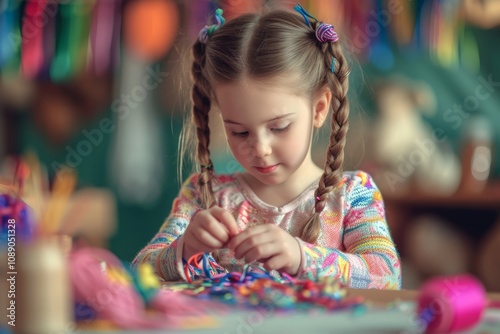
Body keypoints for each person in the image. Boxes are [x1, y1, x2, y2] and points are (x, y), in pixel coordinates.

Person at [133, 5, 401, 289]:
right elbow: (140, 270)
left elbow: (386, 277)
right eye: (239, 131)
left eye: (279, 127)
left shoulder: (352, 196)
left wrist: (302, 257)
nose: (259, 148)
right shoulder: (203, 195)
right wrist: (184, 249)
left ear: (320, 108)